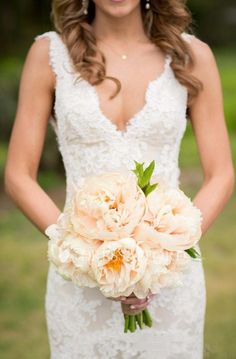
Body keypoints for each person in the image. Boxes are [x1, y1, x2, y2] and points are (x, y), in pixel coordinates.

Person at [4, 0, 235, 358]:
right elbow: (19, 175)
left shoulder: (193, 56)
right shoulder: (48, 54)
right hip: (81, 282)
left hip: (170, 278)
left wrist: (165, 253)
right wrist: (84, 255)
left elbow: (221, 174)